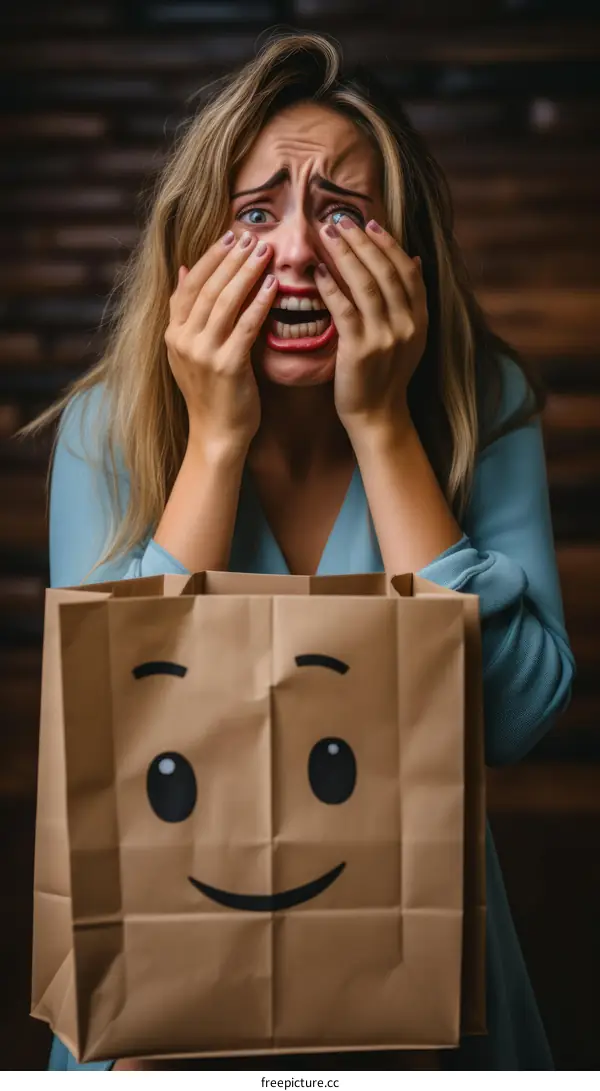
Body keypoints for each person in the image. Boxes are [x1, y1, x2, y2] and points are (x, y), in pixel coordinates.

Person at [25, 29, 574, 1071]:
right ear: (191, 250)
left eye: (342, 212)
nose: (296, 256)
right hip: (163, 1000)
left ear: (407, 247)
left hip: (429, 999)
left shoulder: (481, 401)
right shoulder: (109, 425)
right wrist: (214, 441)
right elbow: (115, 744)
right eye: (254, 214)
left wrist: (384, 423)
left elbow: (510, 717)